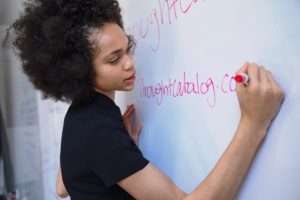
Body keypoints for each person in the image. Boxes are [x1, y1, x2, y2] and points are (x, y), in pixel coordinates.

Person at [12, 0, 284, 199]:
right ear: (78, 68)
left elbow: (62, 187)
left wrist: (117, 157)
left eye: (127, 48)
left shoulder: (82, 113)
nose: (130, 63)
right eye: (114, 59)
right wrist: (253, 123)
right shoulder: (97, 127)